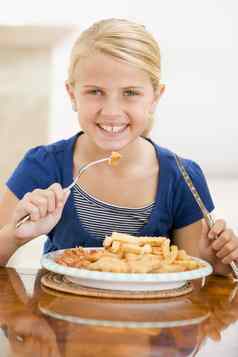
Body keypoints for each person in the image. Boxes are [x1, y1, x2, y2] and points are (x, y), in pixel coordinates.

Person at [0, 18, 237, 276]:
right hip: (57, 313)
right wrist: (16, 235)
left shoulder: (183, 177)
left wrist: (219, 263)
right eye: (95, 91)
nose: (112, 112)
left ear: (155, 97)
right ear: (72, 94)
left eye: (130, 93)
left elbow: (196, 277)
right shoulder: (43, 166)